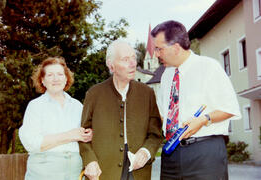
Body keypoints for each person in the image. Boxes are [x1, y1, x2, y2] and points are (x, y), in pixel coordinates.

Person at [151, 20, 241, 180]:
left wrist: (203, 119)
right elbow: (163, 115)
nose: (156, 54)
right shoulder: (166, 76)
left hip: (204, 155)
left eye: (159, 49)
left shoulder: (209, 67)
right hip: (170, 154)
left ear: (176, 48)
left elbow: (230, 108)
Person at [79, 40, 163, 180]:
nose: (133, 64)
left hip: (139, 172)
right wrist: (90, 161)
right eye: (125, 59)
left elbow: (155, 134)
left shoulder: (147, 93)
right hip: (104, 171)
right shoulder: (94, 94)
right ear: (111, 66)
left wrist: (146, 152)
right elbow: (83, 135)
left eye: (133, 58)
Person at [19, 57, 93, 180]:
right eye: (50, 75)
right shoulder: (35, 106)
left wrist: (88, 135)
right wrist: (69, 135)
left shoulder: (77, 106)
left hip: (75, 172)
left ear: (66, 78)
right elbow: (32, 143)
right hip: (43, 172)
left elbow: (83, 139)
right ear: (42, 80)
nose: (56, 79)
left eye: (60, 74)